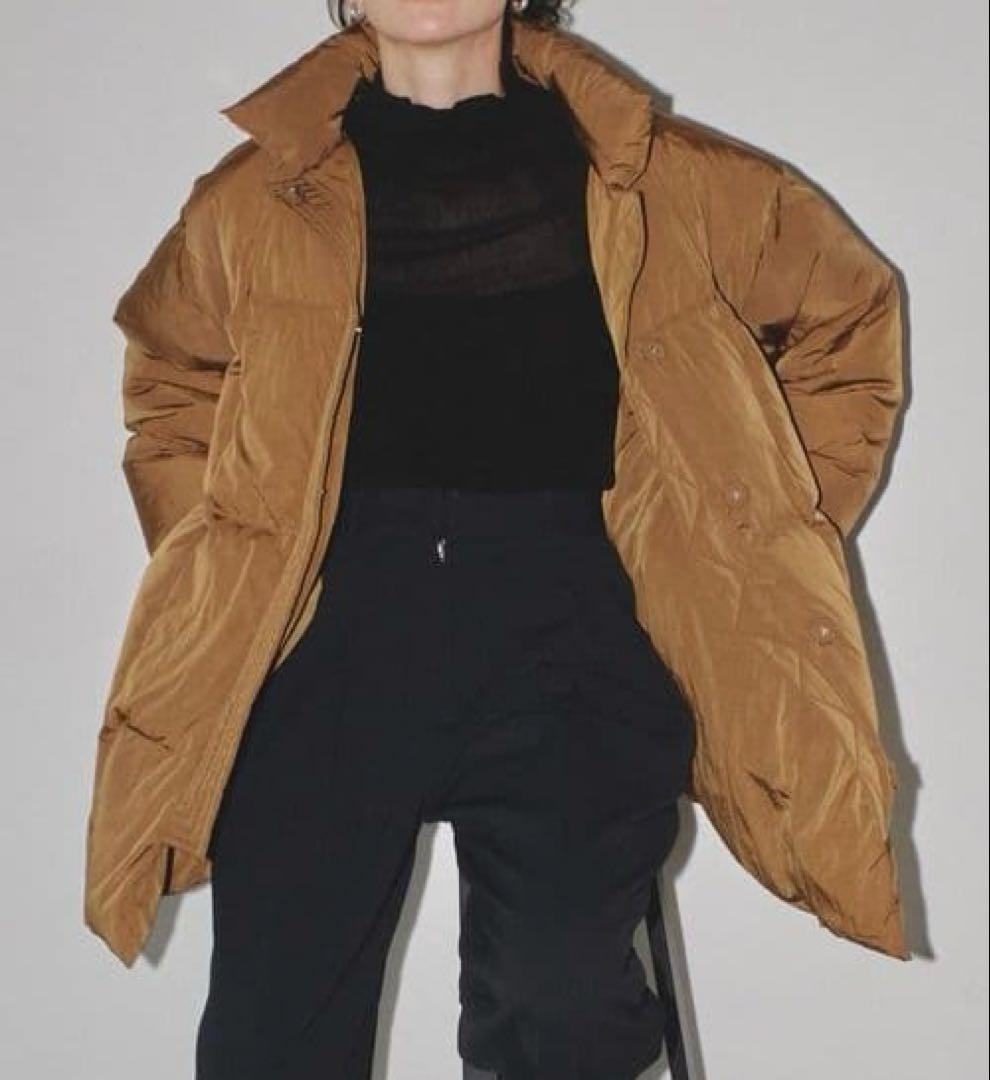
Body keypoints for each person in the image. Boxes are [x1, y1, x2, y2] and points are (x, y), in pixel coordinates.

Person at [83, 1, 909, 1077]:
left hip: (573, 639)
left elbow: (849, 316)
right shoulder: (256, 198)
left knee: (560, 1010)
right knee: (270, 1039)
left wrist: (741, 535)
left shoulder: (665, 179)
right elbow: (173, 380)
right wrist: (235, 563)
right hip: (328, 650)